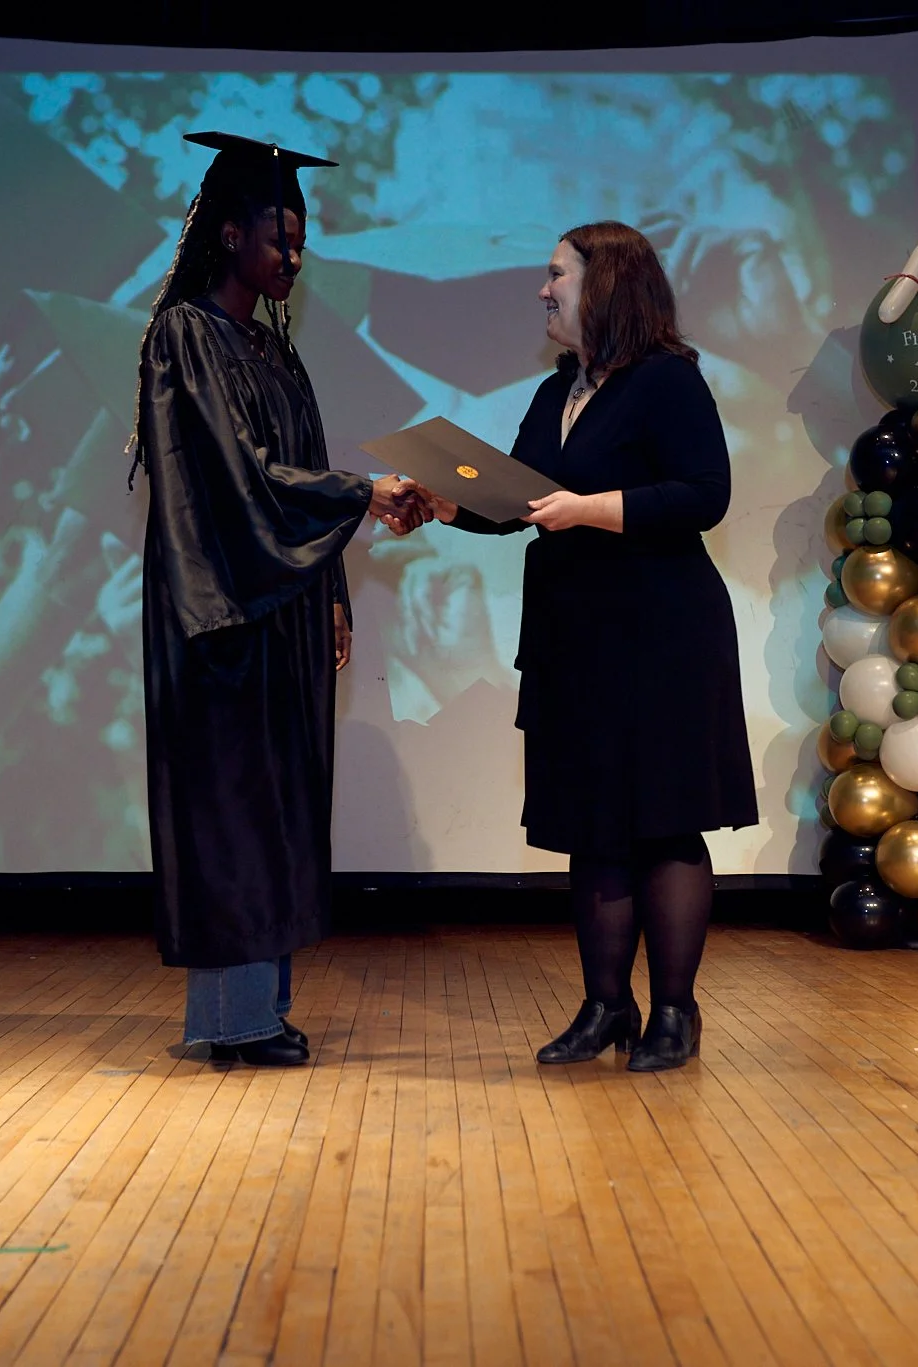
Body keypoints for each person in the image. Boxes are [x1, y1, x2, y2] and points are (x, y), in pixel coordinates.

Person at [423, 221, 757, 1072]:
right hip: (576, 641)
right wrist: (441, 502)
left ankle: (675, 1014)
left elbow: (703, 494)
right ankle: (606, 1005)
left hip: (663, 638)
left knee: (667, 824)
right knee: (594, 829)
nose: (543, 290)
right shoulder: (554, 394)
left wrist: (589, 506)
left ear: (607, 284)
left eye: (556, 275)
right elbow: (519, 502)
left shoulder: (666, 383)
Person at [131, 132, 425, 1067]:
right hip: (219, 611)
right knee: (233, 811)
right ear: (227, 234)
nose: (293, 257)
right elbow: (238, 477)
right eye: (278, 238)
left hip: (282, 607)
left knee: (282, 807)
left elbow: (290, 469)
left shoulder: (274, 349)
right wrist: (362, 493)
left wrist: (332, 590)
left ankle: (250, 1011)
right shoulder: (185, 336)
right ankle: (236, 1018)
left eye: (301, 243)